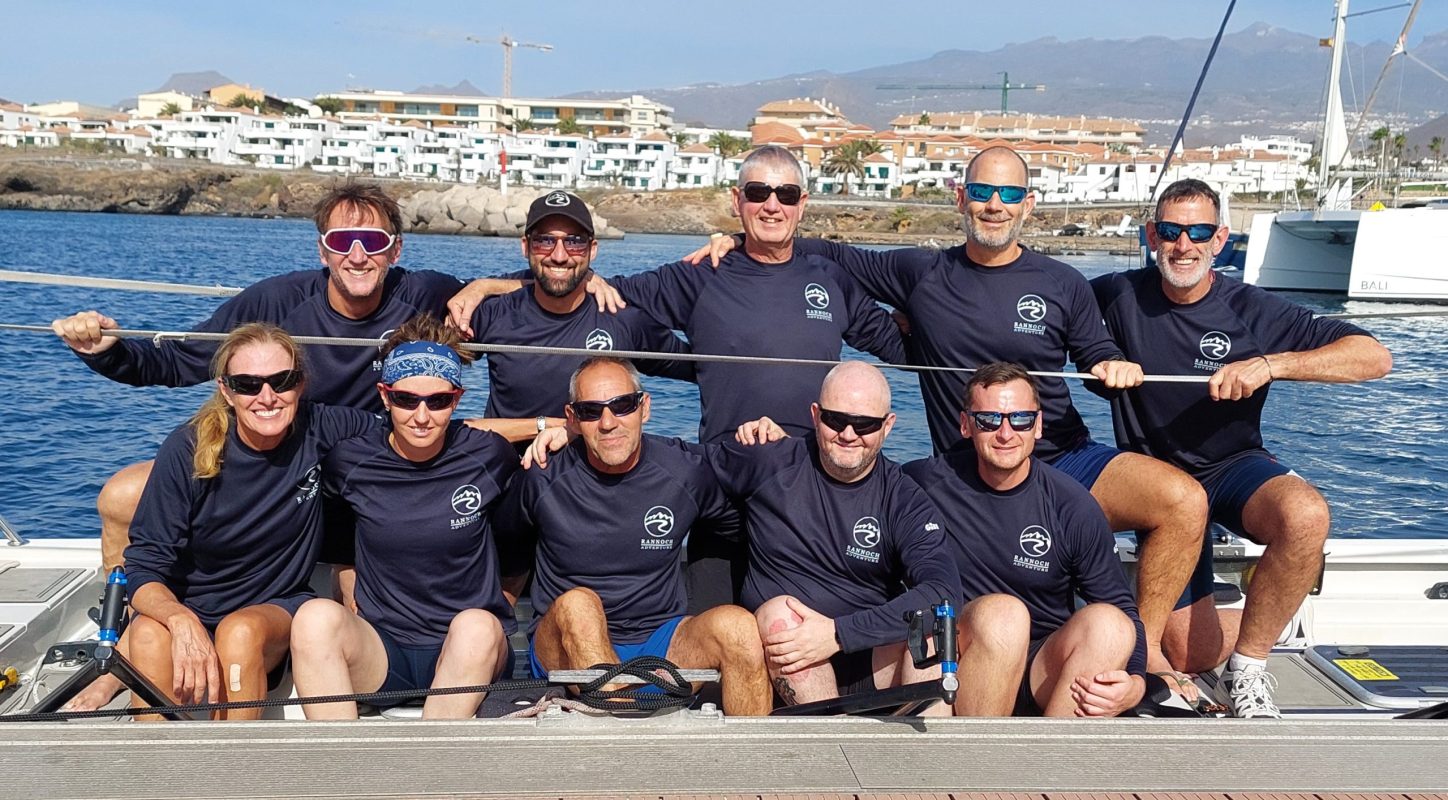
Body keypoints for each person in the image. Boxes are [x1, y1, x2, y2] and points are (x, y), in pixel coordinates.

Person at [689, 145, 1206, 683]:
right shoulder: (923, 272)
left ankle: (1144, 656)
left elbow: (1096, 354)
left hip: (1063, 455)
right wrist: (744, 244)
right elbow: (827, 253)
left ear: (1028, 204)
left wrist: (1115, 365)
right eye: (982, 192)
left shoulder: (1062, 282)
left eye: (1008, 194)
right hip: (969, 463)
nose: (994, 205)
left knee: (1185, 501)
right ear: (962, 198)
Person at [51, 183, 464, 710]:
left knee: (356, 584)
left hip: (355, 462)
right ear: (322, 249)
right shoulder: (277, 301)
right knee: (119, 496)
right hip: (274, 454)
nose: (358, 253)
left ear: (395, 248)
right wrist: (107, 352)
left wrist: (482, 290)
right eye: (342, 239)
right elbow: (181, 360)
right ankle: (126, 644)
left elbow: (511, 304)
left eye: (372, 239)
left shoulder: (425, 292)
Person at [1092, 178, 1393, 717]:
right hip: (1153, 478)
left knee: (1305, 515)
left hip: (1233, 466)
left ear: (1221, 240)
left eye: (1199, 231)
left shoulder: (1251, 307)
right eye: (1171, 231)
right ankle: (1187, 640)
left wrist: (1272, 365)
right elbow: (1035, 324)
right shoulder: (1114, 294)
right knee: (1191, 651)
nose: (1183, 244)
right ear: (1150, 235)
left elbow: (1373, 357)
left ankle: (1251, 666)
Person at [122, 323, 380, 719]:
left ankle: (236, 770)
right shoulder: (187, 448)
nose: (267, 397)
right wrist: (181, 619)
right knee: (145, 634)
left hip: (274, 607)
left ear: (301, 384)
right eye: (248, 384)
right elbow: (143, 567)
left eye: (282, 380)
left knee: (239, 631)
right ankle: (157, 771)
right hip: (195, 604)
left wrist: (509, 440)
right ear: (226, 390)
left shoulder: (321, 427)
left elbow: (416, 431)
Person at [499, 357, 771, 715]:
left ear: (644, 407)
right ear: (573, 417)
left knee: (739, 628)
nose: (609, 423)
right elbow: (505, 549)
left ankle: (753, 762)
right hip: (565, 644)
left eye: (622, 405)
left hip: (660, 637)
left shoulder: (685, 471)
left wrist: (773, 443)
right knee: (579, 605)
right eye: (591, 411)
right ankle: (631, 736)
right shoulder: (541, 477)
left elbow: (746, 520)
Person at [290, 317, 518, 720]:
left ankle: (429, 772)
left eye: (438, 401)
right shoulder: (351, 462)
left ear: (457, 398)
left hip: (466, 649)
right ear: (385, 395)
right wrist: (348, 588)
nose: (422, 415)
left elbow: (521, 542)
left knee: (477, 627)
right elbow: (339, 541)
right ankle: (338, 770)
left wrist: (557, 428)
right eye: (407, 400)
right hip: (384, 650)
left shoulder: (489, 456)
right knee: (312, 618)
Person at [904, 363, 1146, 717]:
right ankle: (983, 758)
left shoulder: (1072, 505)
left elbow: (1122, 607)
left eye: (1020, 419)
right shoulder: (923, 483)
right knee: (1005, 616)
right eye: (989, 420)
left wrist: (1136, 683)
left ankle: (1049, 760)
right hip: (960, 653)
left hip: (1039, 667)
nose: (1006, 433)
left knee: (1110, 627)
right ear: (965, 424)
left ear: (1038, 424)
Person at [721, 361, 960, 707]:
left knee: (934, 629)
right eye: (836, 420)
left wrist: (837, 634)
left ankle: (923, 756)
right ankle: (834, 743)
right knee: (779, 617)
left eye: (865, 425)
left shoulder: (903, 498)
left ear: (888, 426)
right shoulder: (769, 462)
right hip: (790, 658)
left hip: (871, 654)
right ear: (816, 415)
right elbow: (682, 475)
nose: (849, 434)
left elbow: (944, 592)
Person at [451, 190, 695, 443]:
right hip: (508, 471)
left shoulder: (621, 319)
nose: (559, 255)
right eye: (545, 241)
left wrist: (734, 242)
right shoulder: (491, 313)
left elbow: (704, 369)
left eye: (574, 242)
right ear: (526, 247)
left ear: (592, 249)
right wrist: (482, 285)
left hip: (589, 477)